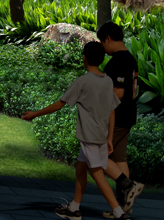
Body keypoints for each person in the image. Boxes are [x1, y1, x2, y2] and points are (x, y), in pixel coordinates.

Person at [22, 42, 128, 219]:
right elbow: (112, 110)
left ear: (84, 58)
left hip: (89, 137)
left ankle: (119, 212)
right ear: (102, 59)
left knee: (97, 175)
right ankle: (74, 209)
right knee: (80, 169)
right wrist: (110, 137)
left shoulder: (82, 82)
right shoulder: (108, 81)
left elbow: (59, 104)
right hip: (100, 135)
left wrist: (34, 114)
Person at [97, 22, 144, 212]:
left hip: (116, 117)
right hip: (128, 115)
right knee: (119, 158)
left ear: (108, 39)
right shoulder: (130, 59)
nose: (102, 46)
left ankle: (129, 186)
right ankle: (125, 205)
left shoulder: (118, 61)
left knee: (97, 155)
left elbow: (118, 93)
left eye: (102, 42)